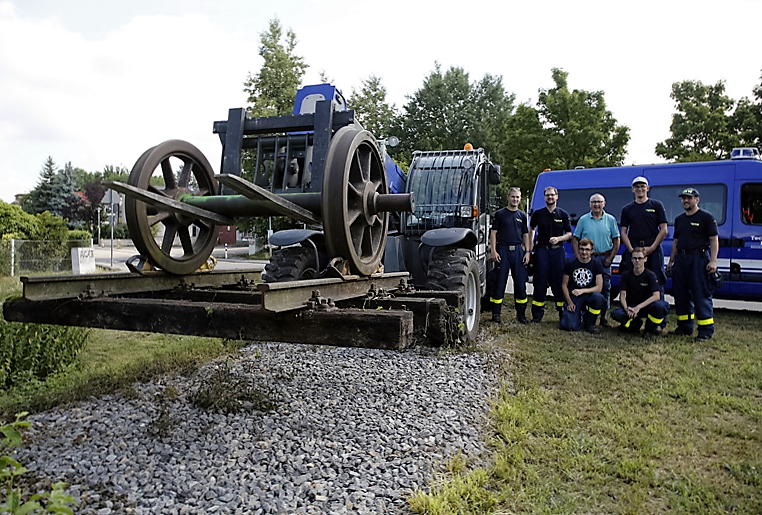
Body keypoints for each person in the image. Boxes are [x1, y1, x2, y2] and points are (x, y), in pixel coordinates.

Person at [666, 187, 719, 341]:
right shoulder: (679, 219)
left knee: (701, 295)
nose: (686, 201)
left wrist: (713, 261)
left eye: (689, 198)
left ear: (697, 200)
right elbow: (676, 242)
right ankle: (685, 327)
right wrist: (671, 261)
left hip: (698, 259)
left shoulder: (706, 217)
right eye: (684, 198)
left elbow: (713, 239)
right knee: (681, 294)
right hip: (681, 260)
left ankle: (705, 330)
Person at [572, 193, 620, 326]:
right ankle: (584, 315)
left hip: (604, 257)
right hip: (587, 258)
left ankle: (603, 317)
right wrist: (577, 256)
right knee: (584, 285)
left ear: (604, 203)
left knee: (605, 288)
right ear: (589, 204)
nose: (596, 204)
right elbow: (575, 238)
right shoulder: (583, 219)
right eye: (594, 202)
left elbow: (616, 240)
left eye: (599, 202)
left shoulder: (610, 220)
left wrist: (611, 258)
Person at [529, 186, 573, 323]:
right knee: (540, 282)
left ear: (557, 196)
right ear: (544, 197)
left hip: (558, 251)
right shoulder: (538, 214)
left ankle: (561, 312)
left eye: (552, 195)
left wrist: (559, 239)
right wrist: (530, 248)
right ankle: (537, 315)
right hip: (542, 251)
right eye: (547, 195)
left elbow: (569, 234)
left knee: (558, 282)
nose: (550, 197)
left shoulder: (563, 214)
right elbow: (531, 229)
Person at [490, 187, 531, 324]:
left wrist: (527, 252)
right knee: (499, 283)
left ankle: (521, 315)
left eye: (518, 197)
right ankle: (496, 314)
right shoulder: (500, 214)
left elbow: (526, 235)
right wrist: (494, 251)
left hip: (518, 252)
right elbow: (494, 233)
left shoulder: (522, 216)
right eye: (513, 197)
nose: (515, 199)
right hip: (503, 251)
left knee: (520, 284)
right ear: (508, 197)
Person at [610, 247, 670, 339]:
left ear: (645, 259)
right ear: (631, 260)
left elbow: (656, 296)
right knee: (615, 313)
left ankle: (649, 329)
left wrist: (638, 307)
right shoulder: (626, 275)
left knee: (659, 306)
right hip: (632, 307)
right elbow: (622, 295)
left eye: (640, 258)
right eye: (635, 258)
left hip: (647, 307)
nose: (637, 261)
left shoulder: (651, 275)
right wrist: (627, 309)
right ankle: (634, 324)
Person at [620, 176, 668, 287]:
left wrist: (651, 248)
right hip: (634, 248)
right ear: (632, 189)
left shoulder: (657, 206)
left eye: (642, 186)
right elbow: (623, 232)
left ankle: (657, 303)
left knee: (656, 279)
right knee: (633, 279)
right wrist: (632, 250)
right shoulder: (627, 209)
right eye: (636, 187)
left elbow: (664, 230)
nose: (639, 189)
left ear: (648, 188)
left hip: (653, 249)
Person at [559, 238, 606, 334]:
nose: (584, 252)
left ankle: (590, 322)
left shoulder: (597, 265)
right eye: (582, 249)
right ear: (578, 249)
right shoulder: (570, 263)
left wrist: (582, 291)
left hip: (589, 297)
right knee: (568, 326)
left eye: (587, 249)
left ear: (592, 251)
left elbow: (599, 287)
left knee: (598, 298)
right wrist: (569, 302)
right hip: (574, 298)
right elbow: (564, 285)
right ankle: (573, 317)